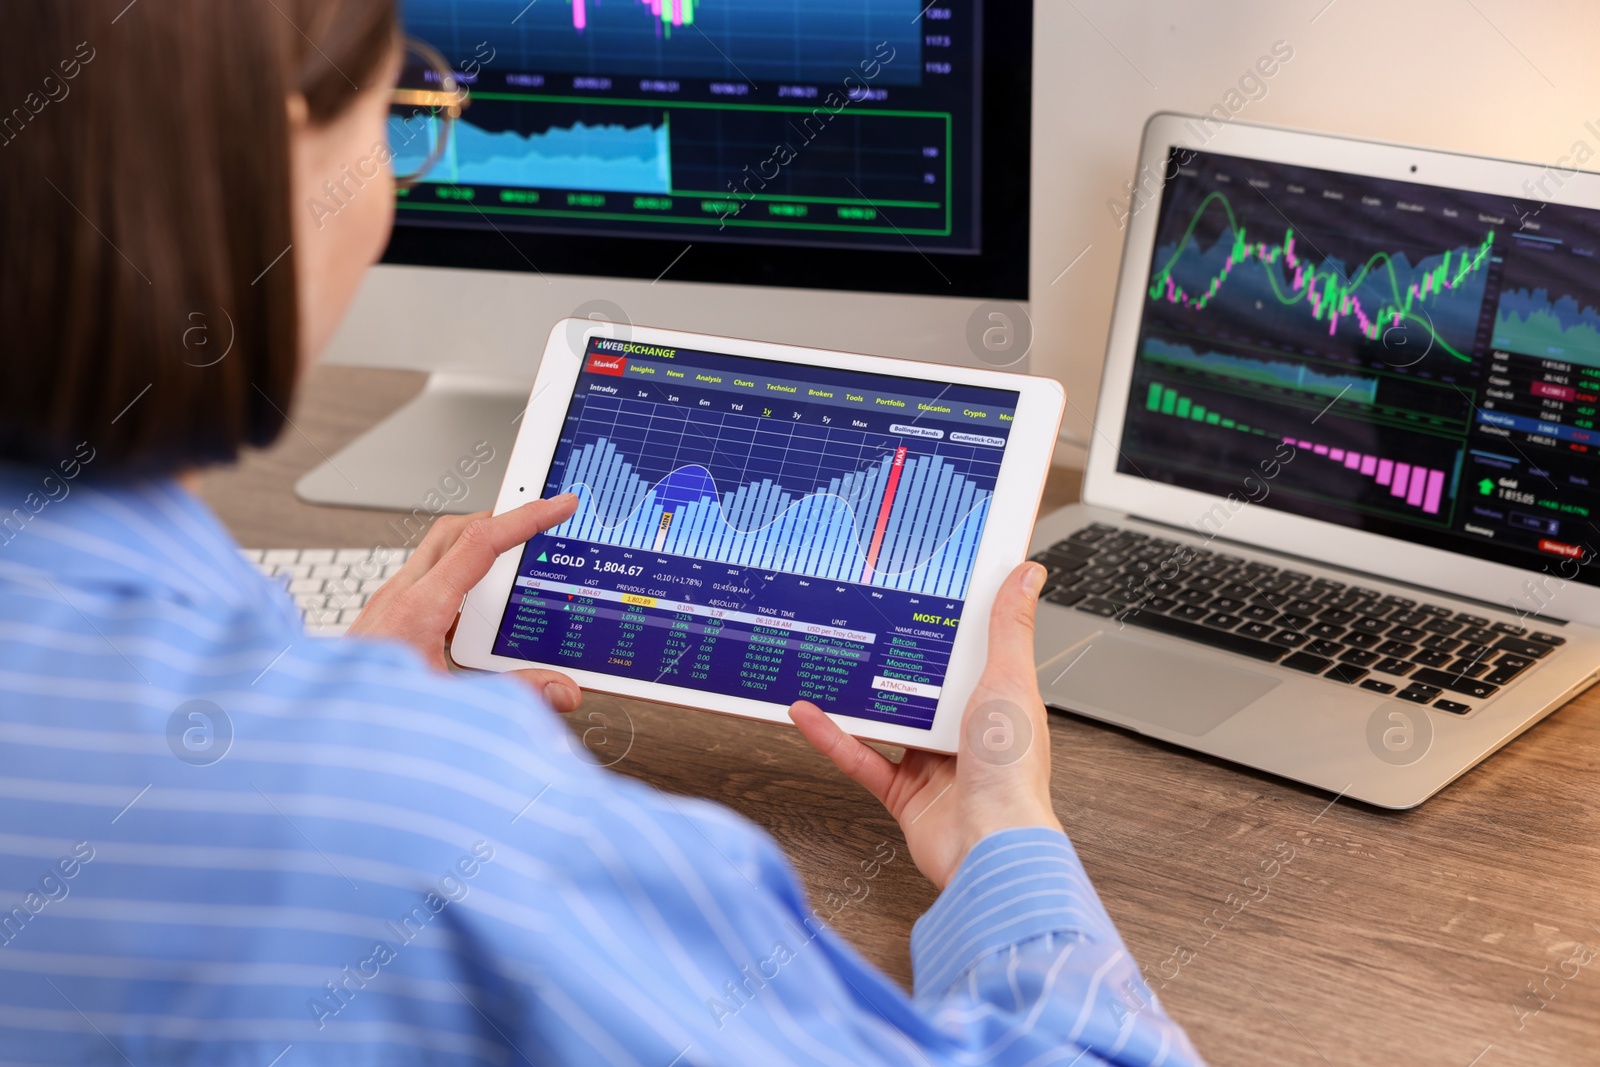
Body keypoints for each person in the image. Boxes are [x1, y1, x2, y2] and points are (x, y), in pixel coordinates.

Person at [0, 1, 1204, 1063]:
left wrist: (337, 693)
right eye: (397, 113)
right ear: (242, 169)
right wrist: (1005, 836)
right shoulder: (416, 827)